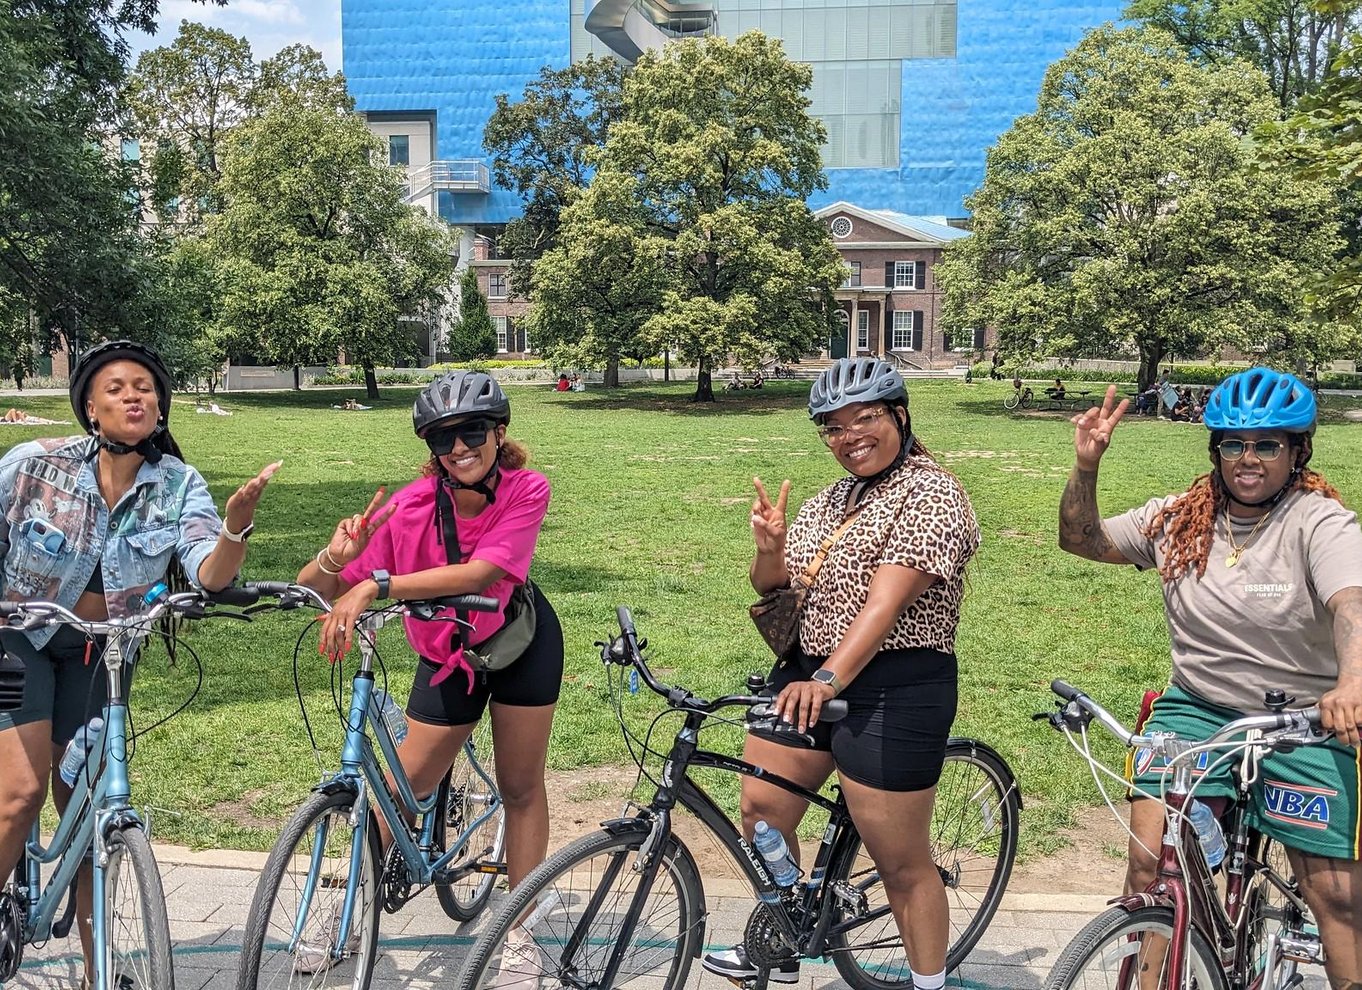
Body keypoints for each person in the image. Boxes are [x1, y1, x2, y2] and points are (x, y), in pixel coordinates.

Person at [1058, 369, 1362, 990]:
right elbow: (1080, 540)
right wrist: (1086, 467)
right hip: (1197, 711)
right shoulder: (1181, 519)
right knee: (1149, 868)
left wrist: (1351, 682)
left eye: (1267, 445)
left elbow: (1351, 605)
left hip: (1302, 719)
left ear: (1297, 451)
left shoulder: (1319, 523)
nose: (1248, 459)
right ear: (1215, 449)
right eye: (1233, 444)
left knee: (1337, 897)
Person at [0, 340, 279, 987]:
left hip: (100, 651)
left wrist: (235, 527)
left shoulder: (177, 485)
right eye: (119, 387)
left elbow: (209, 574)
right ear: (91, 408)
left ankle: (103, 975)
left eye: (146, 388)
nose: (135, 396)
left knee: (90, 817)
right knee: (19, 795)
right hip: (18, 637)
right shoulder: (33, 466)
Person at [702, 357, 980, 990]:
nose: (850, 435)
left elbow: (885, 606)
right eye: (833, 426)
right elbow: (780, 595)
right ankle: (789, 931)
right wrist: (769, 553)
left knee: (901, 863)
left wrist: (827, 680)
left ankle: (927, 982)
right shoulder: (833, 499)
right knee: (763, 812)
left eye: (868, 417)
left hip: (894, 687)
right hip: (807, 674)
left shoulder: (933, 492)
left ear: (900, 416)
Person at [297, 370, 564, 977]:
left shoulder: (527, 489)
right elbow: (317, 588)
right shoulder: (409, 507)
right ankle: (345, 911)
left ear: (498, 433)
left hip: (519, 644)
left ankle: (519, 929)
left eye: (472, 432)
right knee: (402, 790)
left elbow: (480, 576)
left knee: (521, 786)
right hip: (446, 654)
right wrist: (337, 559)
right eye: (443, 439)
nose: (460, 448)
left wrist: (376, 583)